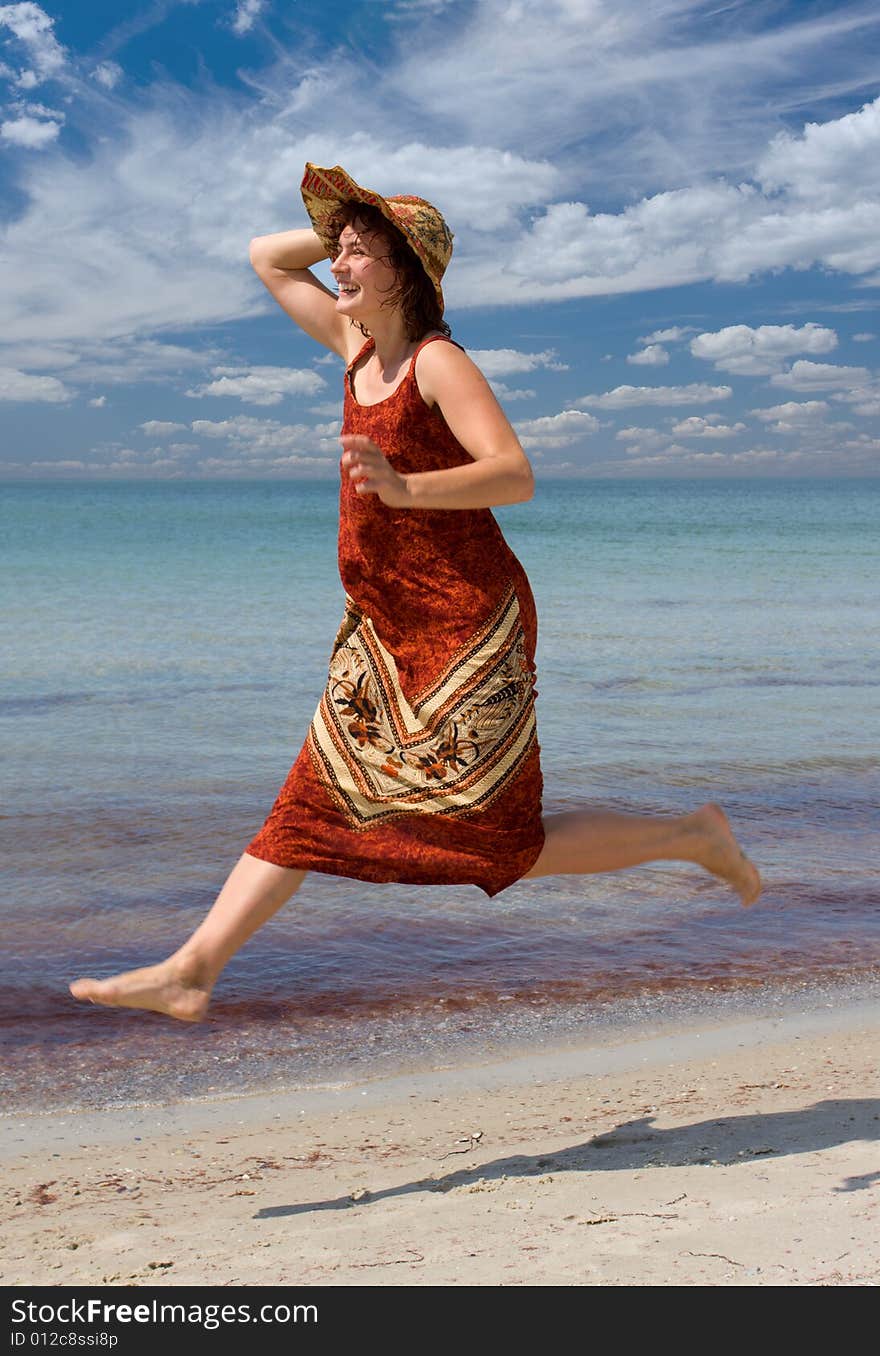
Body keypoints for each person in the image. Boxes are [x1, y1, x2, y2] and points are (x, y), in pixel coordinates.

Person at [70, 162, 762, 1024]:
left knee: (501, 844)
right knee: (310, 804)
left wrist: (405, 490)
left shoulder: (437, 362)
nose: (337, 267)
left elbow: (514, 475)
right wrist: (359, 225)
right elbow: (265, 258)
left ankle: (693, 837)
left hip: (470, 625)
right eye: (339, 252)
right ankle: (193, 970)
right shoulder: (354, 348)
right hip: (383, 626)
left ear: (407, 274)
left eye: (359, 256)